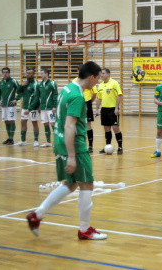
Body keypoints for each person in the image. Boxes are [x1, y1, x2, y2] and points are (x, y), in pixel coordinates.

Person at [26, 61, 107, 240]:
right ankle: (84, 229)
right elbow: (70, 126)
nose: (98, 83)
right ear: (91, 77)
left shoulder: (68, 88)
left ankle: (37, 215)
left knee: (70, 184)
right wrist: (72, 156)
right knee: (87, 184)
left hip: (60, 143)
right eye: (98, 79)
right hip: (75, 146)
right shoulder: (78, 96)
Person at [95, 68, 123, 154]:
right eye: (101, 74)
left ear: (108, 74)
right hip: (104, 109)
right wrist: (97, 109)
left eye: (103, 73)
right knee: (106, 129)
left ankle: (120, 147)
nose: (101, 75)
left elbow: (119, 95)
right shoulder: (100, 85)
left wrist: (116, 108)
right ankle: (107, 147)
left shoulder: (114, 83)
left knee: (115, 128)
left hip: (113, 109)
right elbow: (98, 98)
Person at [74, 64, 98, 153]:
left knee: (88, 124)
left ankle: (90, 145)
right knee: (76, 123)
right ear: (77, 71)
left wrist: (90, 102)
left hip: (87, 102)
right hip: (77, 103)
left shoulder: (89, 80)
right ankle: (79, 144)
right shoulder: (75, 81)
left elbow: (95, 93)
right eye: (79, 70)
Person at [14, 67, 40, 146]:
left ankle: (36, 140)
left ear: (33, 74)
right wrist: (21, 85)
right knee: (23, 123)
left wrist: (30, 109)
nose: (28, 75)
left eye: (29, 73)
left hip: (33, 109)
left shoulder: (36, 85)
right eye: (27, 73)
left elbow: (36, 99)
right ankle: (23, 140)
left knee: (34, 123)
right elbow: (18, 92)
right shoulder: (24, 83)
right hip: (24, 107)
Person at [0, 67, 19, 144]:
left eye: (6, 72)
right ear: (2, 73)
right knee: (6, 121)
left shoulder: (13, 81)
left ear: (9, 73)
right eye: (4, 72)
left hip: (11, 105)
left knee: (11, 121)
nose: (5, 74)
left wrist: (16, 99)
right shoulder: (1, 82)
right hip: (4, 105)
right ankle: (9, 138)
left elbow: (21, 91)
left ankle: (11, 138)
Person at [38, 68, 58, 148]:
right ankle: (48, 141)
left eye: (42, 73)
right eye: (40, 73)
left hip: (50, 108)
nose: (41, 75)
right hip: (43, 108)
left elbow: (55, 95)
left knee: (53, 124)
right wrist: (39, 106)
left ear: (46, 74)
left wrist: (54, 106)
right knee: (45, 124)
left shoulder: (52, 83)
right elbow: (40, 96)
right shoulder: (41, 84)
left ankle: (57, 141)